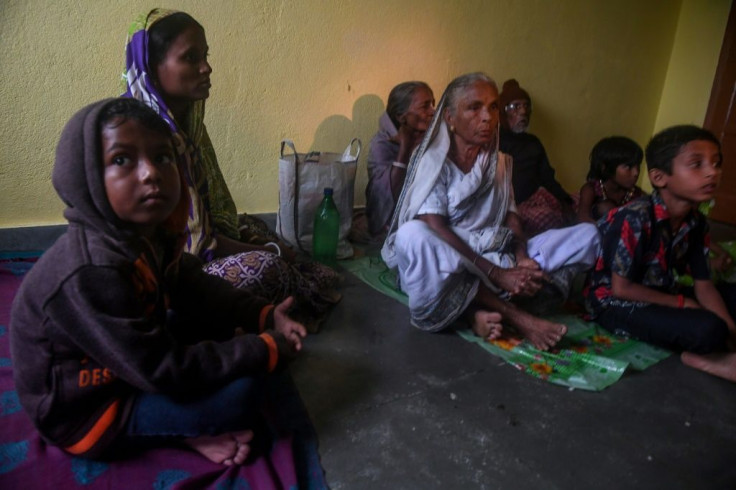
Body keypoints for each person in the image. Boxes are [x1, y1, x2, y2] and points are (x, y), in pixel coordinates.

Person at [9, 98, 307, 464]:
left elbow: (194, 287)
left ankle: (184, 422)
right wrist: (261, 349)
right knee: (241, 395)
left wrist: (263, 316)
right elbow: (161, 369)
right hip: (90, 408)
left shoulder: (150, 233)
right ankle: (184, 434)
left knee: (210, 322)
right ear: (86, 176)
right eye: (122, 160)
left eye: (163, 157)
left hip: (132, 362)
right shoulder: (91, 271)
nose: (151, 172)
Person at [122, 9, 340, 328]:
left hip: (189, 255)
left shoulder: (186, 128)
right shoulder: (150, 140)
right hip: (164, 275)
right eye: (190, 57)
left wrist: (265, 243)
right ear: (153, 69)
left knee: (253, 226)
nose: (206, 67)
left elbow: (210, 222)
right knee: (268, 266)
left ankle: (289, 280)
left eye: (205, 55)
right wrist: (273, 251)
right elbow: (197, 247)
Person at [381, 73, 600, 351]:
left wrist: (521, 259)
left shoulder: (500, 163)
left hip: (494, 251)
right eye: (474, 107)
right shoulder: (432, 161)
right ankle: (510, 313)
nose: (487, 117)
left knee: (589, 235)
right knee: (413, 235)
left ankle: (482, 304)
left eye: (493, 107)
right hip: (451, 259)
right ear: (449, 117)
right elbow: (435, 226)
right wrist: (498, 274)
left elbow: (511, 217)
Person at [585, 125, 736, 382]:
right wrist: (683, 304)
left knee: (730, 302)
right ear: (659, 177)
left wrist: (732, 331)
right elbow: (621, 289)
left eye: (716, 163)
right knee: (708, 329)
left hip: (661, 292)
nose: (713, 172)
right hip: (615, 303)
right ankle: (704, 358)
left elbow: (704, 286)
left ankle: (724, 347)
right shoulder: (635, 217)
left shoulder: (696, 222)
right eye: (697, 164)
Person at [498, 79, 575, 235]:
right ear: (503, 111)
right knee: (547, 218)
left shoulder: (533, 142)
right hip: (515, 205)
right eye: (515, 106)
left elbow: (547, 176)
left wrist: (565, 200)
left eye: (526, 106)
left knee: (581, 203)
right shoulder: (495, 142)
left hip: (539, 197)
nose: (523, 112)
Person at [365, 81, 435, 237]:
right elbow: (384, 196)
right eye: (425, 106)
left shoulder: (432, 139)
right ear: (400, 116)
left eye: (433, 104)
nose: (433, 111)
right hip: (391, 221)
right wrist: (405, 148)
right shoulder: (381, 143)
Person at [577, 136, 645, 224]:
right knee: (606, 208)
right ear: (605, 168)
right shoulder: (591, 189)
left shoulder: (637, 195)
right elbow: (582, 218)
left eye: (637, 166)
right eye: (628, 167)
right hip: (597, 233)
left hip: (625, 235)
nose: (636, 173)